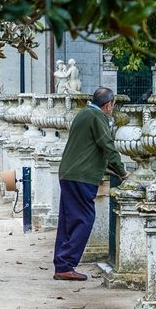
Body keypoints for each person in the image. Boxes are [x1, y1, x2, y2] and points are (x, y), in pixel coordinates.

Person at [52, 87, 128, 281]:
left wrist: (109, 169)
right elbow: (107, 145)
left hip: (69, 173)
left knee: (68, 220)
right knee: (85, 219)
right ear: (109, 104)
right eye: (113, 105)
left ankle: (62, 264)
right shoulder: (97, 116)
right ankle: (66, 264)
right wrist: (122, 171)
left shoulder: (84, 113)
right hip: (81, 177)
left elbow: (88, 149)